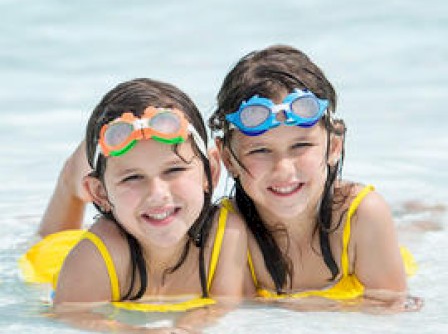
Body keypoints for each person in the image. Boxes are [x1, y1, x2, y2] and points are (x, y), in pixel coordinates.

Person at [21, 78, 247, 332]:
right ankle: (71, 177)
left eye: (173, 170)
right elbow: (70, 314)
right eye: (133, 177)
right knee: (54, 235)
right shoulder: (94, 257)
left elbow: (223, 304)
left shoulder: (227, 233)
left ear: (211, 173)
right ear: (100, 194)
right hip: (54, 259)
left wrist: (186, 327)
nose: (157, 194)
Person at [208, 44, 419, 310]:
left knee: (415, 231)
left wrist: (303, 309)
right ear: (228, 160)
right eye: (261, 150)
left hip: (379, 246)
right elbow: (242, 318)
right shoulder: (229, 229)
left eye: (301, 146)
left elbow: (391, 309)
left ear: (333, 147)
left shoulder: (362, 216)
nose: (283, 170)